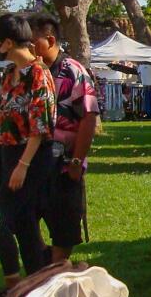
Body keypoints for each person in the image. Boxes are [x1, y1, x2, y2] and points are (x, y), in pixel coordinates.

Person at [0, 14, 57, 288]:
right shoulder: (9, 75)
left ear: (9, 42)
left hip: (30, 157)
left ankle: (12, 282)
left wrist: (23, 166)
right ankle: (37, 283)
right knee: (25, 223)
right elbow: (0, 119)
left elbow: (40, 126)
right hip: (6, 155)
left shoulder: (38, 75)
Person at [27, 13, 100, 263]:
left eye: (31, 41)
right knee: (24, 219)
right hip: (33, 163)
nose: (27, 46)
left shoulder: (73, 71)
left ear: (49, 39)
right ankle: (42, 268)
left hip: (64, 164)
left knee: (64, 228)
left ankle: (56, 274)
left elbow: (89, 117)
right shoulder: (29, 72)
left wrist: (76, 161)